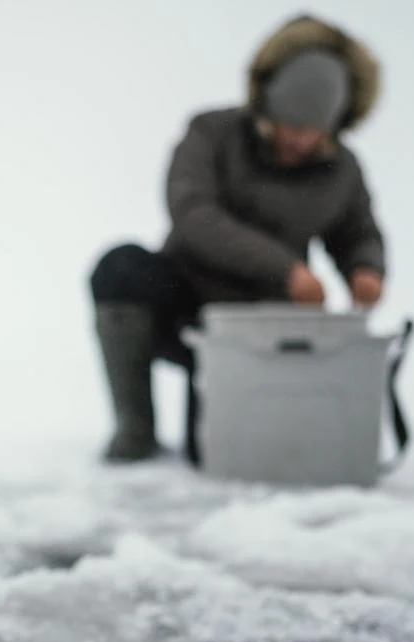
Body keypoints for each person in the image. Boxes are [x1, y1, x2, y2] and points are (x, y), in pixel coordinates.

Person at [89, 14, 387, 463]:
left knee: (216, 454)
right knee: (120, 268)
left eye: (313, 130)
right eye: (291, 125)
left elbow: (357, 230)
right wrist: (285, 269)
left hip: (263, 327)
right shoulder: (211, 134)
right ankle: (136, 432)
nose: (299, 140)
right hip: (187, 306)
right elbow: (193, 214)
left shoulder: (341, 169)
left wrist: (367, 269)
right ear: (268, 104)